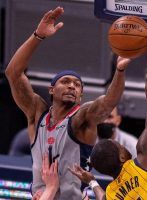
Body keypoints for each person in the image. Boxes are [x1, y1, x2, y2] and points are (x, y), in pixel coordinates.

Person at [5, 7, 131, 199]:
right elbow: (13, 73)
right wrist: (38, 35)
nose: (72, 86)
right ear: (51, 90)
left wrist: (119, 72)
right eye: (66, 82)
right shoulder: (37, 113)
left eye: (77, 85)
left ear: (80, 95)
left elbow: (108, 102)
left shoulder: (81, 118)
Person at [70, 22, 147, 200]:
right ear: (123, 155)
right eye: (119, 145)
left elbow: (102, 197)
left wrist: (92, 182)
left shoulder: (112, 194)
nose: (122, 145)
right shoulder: (146, 158)